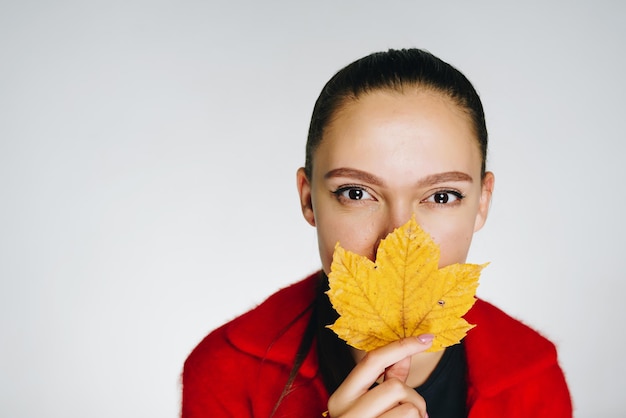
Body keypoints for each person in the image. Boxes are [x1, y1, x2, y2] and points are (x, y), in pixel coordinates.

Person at [181, 48, 572, 417]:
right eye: (357, 193)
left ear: (482, 203)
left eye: (441, 196)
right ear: (308, 200)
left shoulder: (532, 376)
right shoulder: (227, 370)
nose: (399, 239)